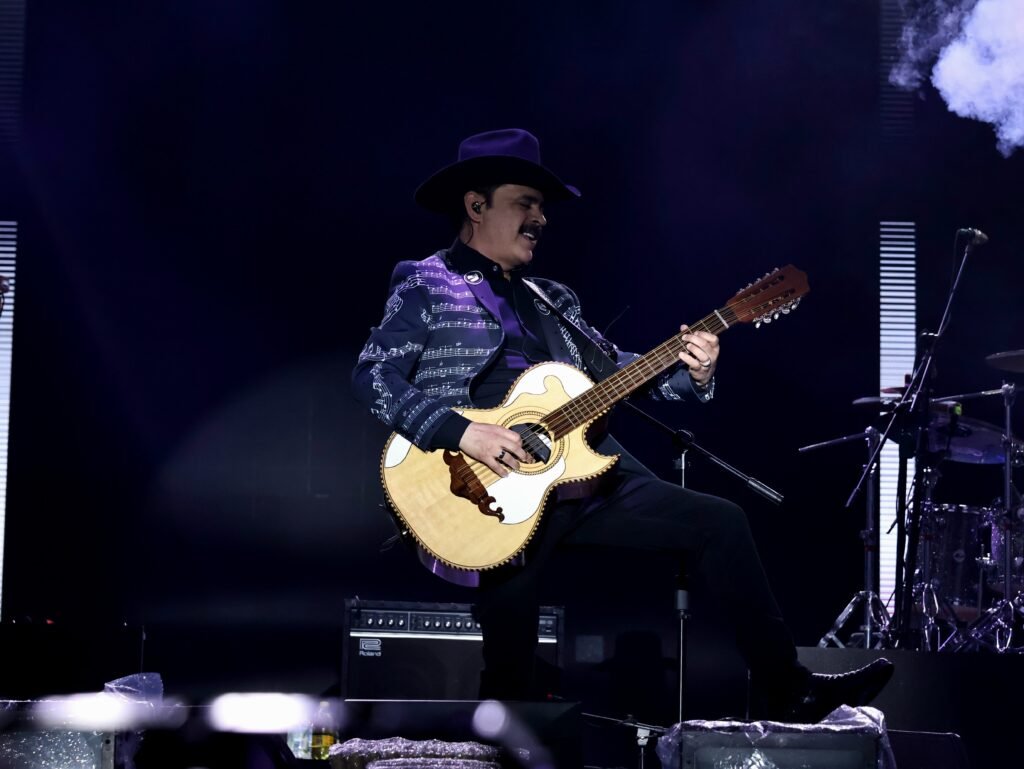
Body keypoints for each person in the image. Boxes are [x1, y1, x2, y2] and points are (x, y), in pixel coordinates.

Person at [351, 128, 892, 722]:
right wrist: (463, 432)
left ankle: (789, 688)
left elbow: (617, 370)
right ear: (476, 206)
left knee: (721, 521)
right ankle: (505, 739)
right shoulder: (426, 281)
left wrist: (694, 369)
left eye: (542, 207)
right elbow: (373, 375)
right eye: (525, 203)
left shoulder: (553, 298)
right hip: (476, 485)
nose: (540, 218)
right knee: (511, 645)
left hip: (574, 474)